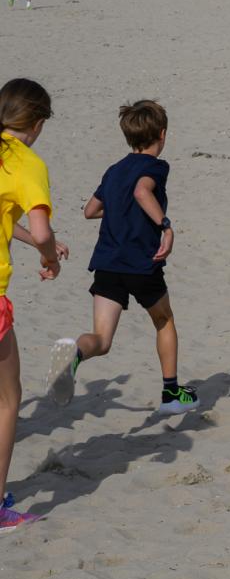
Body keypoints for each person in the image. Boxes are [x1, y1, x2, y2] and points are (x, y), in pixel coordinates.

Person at [45, 101, 198, 414]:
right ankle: (171, 393)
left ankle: (74, 353)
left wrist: (120, 209)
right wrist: (165, 226)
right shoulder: (156, 167)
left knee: (101, 340)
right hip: (140, 263)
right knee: (164, 319)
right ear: (162, 134)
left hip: (107, 263)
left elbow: (90, 211)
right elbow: (142, 192)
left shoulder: (114, 170)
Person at [0, 79, 66, 532]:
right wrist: (48, 255)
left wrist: (33, 241)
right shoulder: (26, 161)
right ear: (38, 123)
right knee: (8, 399)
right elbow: (41, 230)